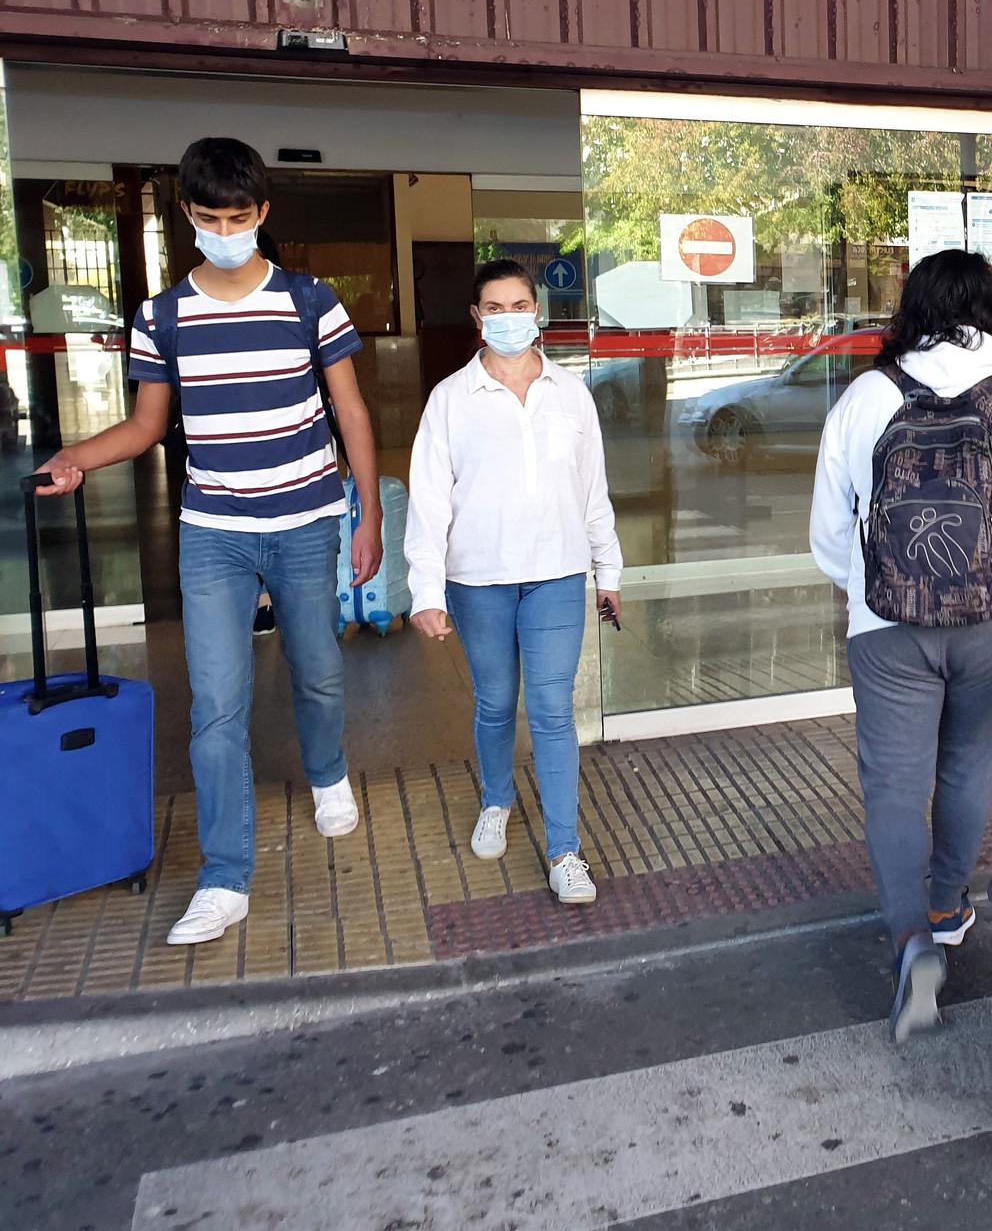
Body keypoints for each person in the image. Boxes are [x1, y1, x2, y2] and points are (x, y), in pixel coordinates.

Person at [38, 137, 383, 946]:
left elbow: (352, 414)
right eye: (208, 217)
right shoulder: (161, 315)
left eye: (239, 216)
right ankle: (226, 877)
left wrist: (365, 516)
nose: (225, 229)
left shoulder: (309, 300)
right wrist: (74, 457)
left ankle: (329, 772)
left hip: (305, 523)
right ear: (187, 216)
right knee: (216, 708)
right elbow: (147, 426)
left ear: (262, 214)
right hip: (215, 535)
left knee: (319, 672)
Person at [810, 249, 992, 1041]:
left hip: (888, 632)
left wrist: (877, 590)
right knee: (964, 768)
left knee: (894, 788)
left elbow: (828, 533)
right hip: (990, 628)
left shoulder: (866, 396)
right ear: (991, 309)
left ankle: (911, 942)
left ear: (911, 309)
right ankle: (947, 906)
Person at [405, 258, 621, 906]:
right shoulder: (451, 399)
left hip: (556, 574)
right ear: (477, 318)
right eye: (494, 308)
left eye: (519, 304)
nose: (508, 318)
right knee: (496, 702)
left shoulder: (570, 393)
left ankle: (564, 850)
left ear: (537, 310)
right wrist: (427, 590)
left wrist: (607, 569)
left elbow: (593, 490)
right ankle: (497, 800)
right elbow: (429, 501)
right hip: (480, 580)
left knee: (553, 710)